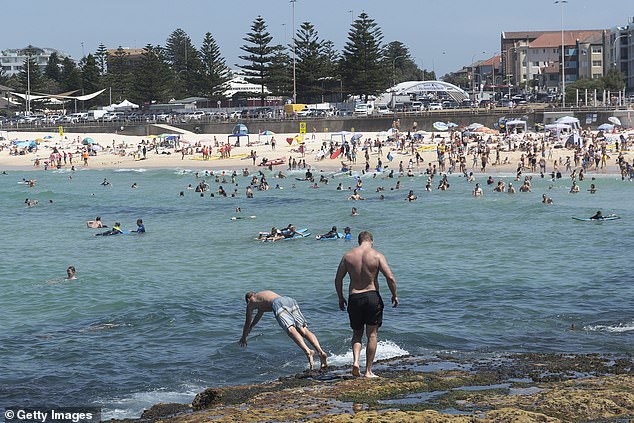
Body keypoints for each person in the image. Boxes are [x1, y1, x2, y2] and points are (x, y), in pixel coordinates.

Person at [335, 231, 398, 378]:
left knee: (357, 333)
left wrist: (340, 297)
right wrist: (394, 295)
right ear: (371, 241)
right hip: (371, 296)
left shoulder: (348, 256)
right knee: (372, 334)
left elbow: (338, 279)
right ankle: (368, 371)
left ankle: (356, 361)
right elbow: (390, 277)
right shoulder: (377, 255)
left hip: (354, 297)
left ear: (359, 241)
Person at [239, 290, 327, 370]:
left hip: (278, 303)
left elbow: (247, 321)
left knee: (290, 329)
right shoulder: (261, 297)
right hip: (289, 300)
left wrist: (243, 337)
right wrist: (251, 327)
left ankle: (308, 351)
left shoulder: (251, 302)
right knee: (303, 329)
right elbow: (258, 316)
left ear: (248, 299)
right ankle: (320, 351)